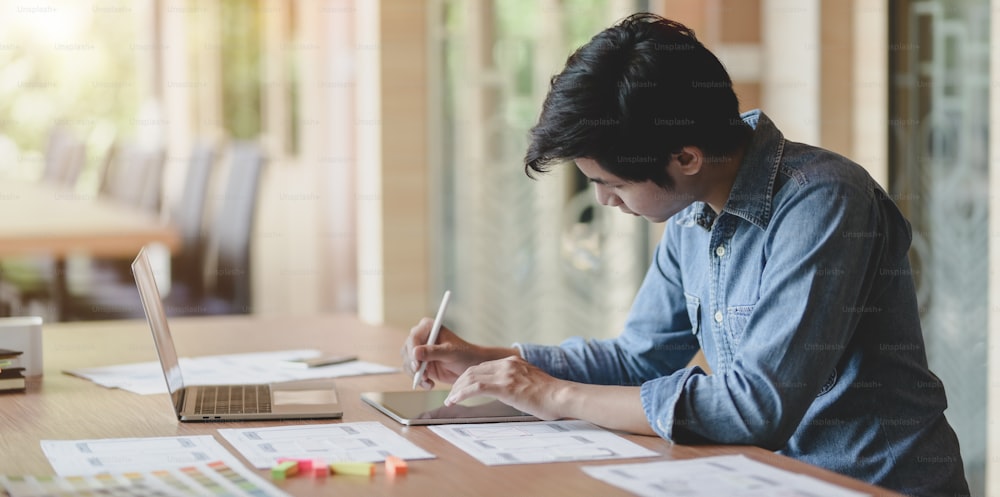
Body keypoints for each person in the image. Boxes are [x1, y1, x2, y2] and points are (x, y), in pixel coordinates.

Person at [402, 13, 968, 496]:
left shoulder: (823, 201)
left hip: (869, 485)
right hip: (771, 480)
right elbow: (642, 359)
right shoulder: (692, 211)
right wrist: (488, 360)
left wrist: (552, 394)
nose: (603, 200)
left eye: (613, 184)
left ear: (687, 157)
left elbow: (755, 409)